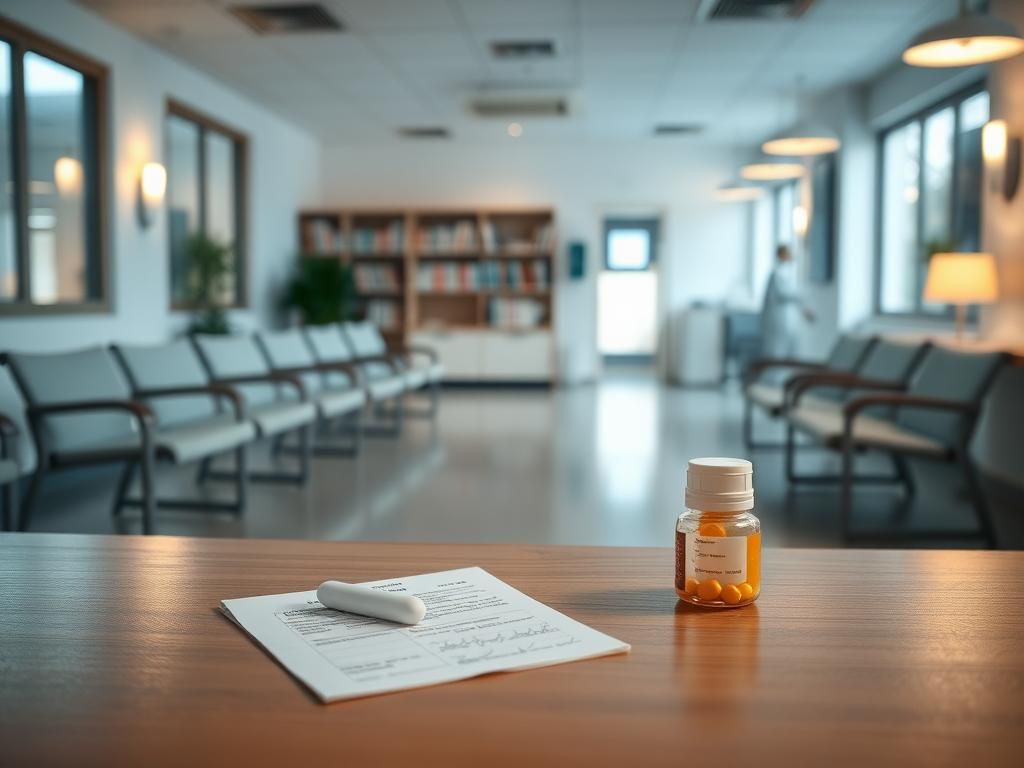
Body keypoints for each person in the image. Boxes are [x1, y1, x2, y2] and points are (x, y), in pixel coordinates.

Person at [760, 244, 815, 359]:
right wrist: (803, 296)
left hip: (786, 320)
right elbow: (786, 294)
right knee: (777, 353)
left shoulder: (788, 272)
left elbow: (793, 295)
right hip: (778, 321)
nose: (791, 255)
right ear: (780, 255)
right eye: (788, 252)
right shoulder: (778, 273)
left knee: (790, 352)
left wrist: (804, 307)